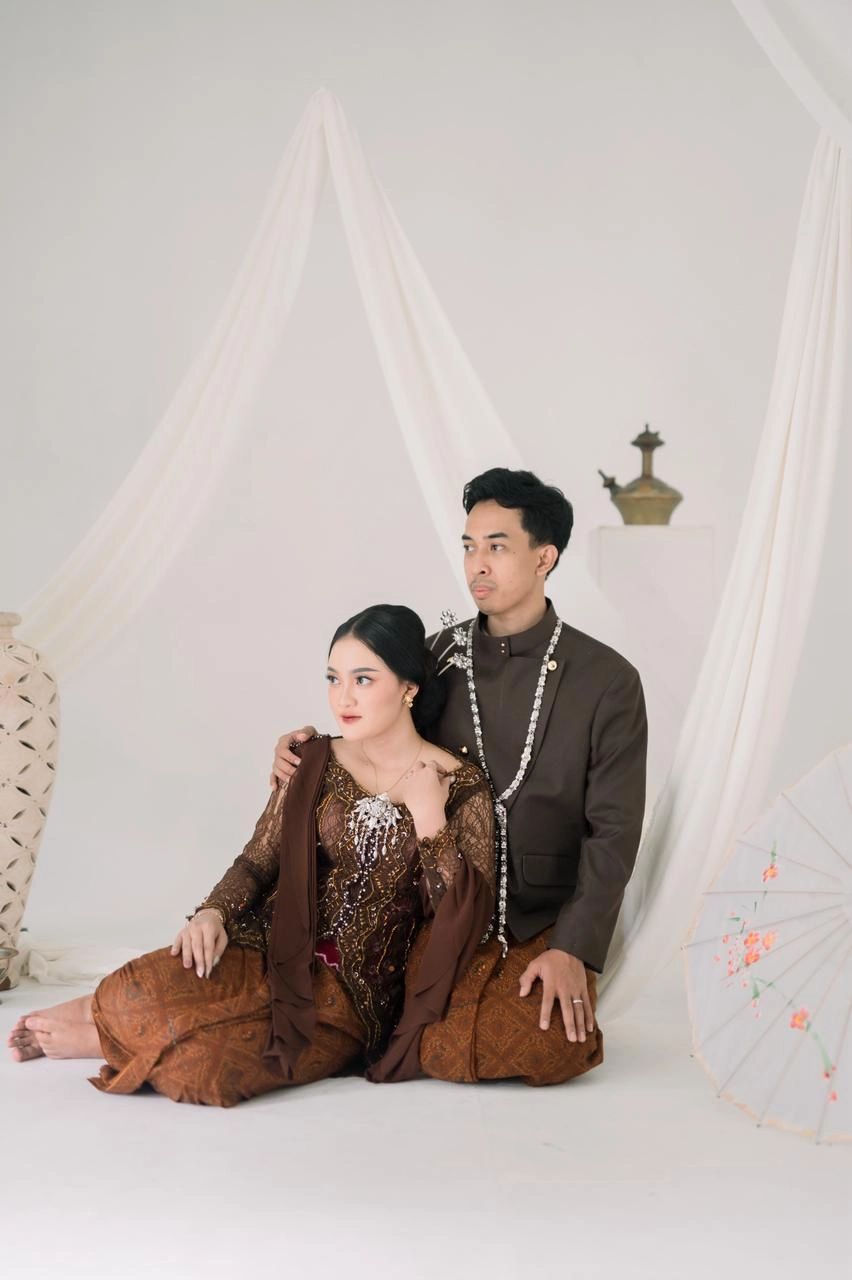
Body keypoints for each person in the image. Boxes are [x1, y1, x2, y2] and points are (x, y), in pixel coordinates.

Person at [7, 605, 495, 1105]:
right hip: (267, 947)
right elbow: (257, 860)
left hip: (349, 998)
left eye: (363, 680)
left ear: (409, 688)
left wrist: (429, 818)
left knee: (204, 1072)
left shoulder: (459, 786)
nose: (342, 698)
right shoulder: (312, 759)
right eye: (333, 678)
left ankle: (102, 1036)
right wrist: (212, 913)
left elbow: (461, 921)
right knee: (131, 988)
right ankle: (107, 1013)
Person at [272, 469, 647, 1085]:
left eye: (497, 546)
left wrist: (573, 947)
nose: (478, 563)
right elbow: (370, 730)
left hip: (538, 917)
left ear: (545, 557)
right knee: (391, 1026)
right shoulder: (437, 660)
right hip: (430, 909)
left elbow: (614, 832)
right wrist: (305, 752)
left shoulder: (607, 681)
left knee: (546, 1045)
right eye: (470, 546)